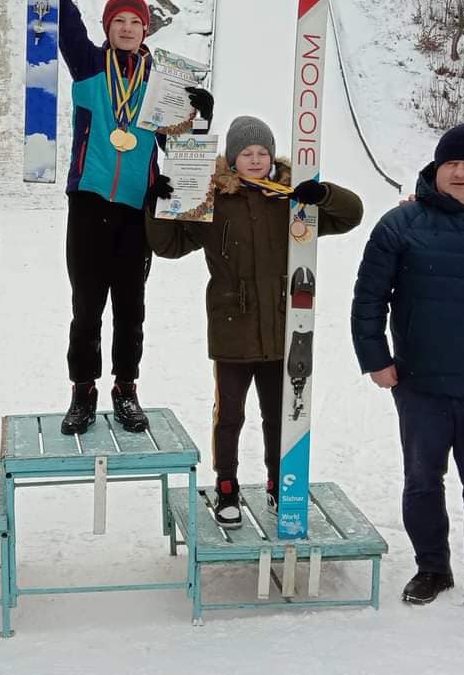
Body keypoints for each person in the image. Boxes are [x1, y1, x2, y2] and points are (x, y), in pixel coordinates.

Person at [18, 0, 214, 435]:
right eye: (118, 21)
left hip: (137, 209)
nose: (127, 28)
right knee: (86, 307)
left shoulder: (163, 78)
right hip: (87, 202)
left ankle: (126, 389)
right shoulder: (87, 64)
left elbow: (184, 148)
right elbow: (61, 13)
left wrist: (202, 119)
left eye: (135, 22)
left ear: (145, 29)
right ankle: (83, 393)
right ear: (108, 28)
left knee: (132, 307)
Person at [351, 123, 464, 632]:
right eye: (450, 163)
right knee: (422, 481)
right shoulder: (401, 223)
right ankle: (432, 567)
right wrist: (376, 357)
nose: (459, 171)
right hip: (421, 382)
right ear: (436, 169)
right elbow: (369, 297)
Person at [147, 115, 363, 526]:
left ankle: (279, 484)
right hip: (232, 325)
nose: (255, 159)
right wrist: (159, 204)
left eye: (262, 151)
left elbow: (351, 215)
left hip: (283, 328)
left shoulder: (291, 196)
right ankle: (226, 487)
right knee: (229, 415)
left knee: (279, 415)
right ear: (232, 157)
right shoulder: (212, 199)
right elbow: (168, 245)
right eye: (246, 153)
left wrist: (324, 194)